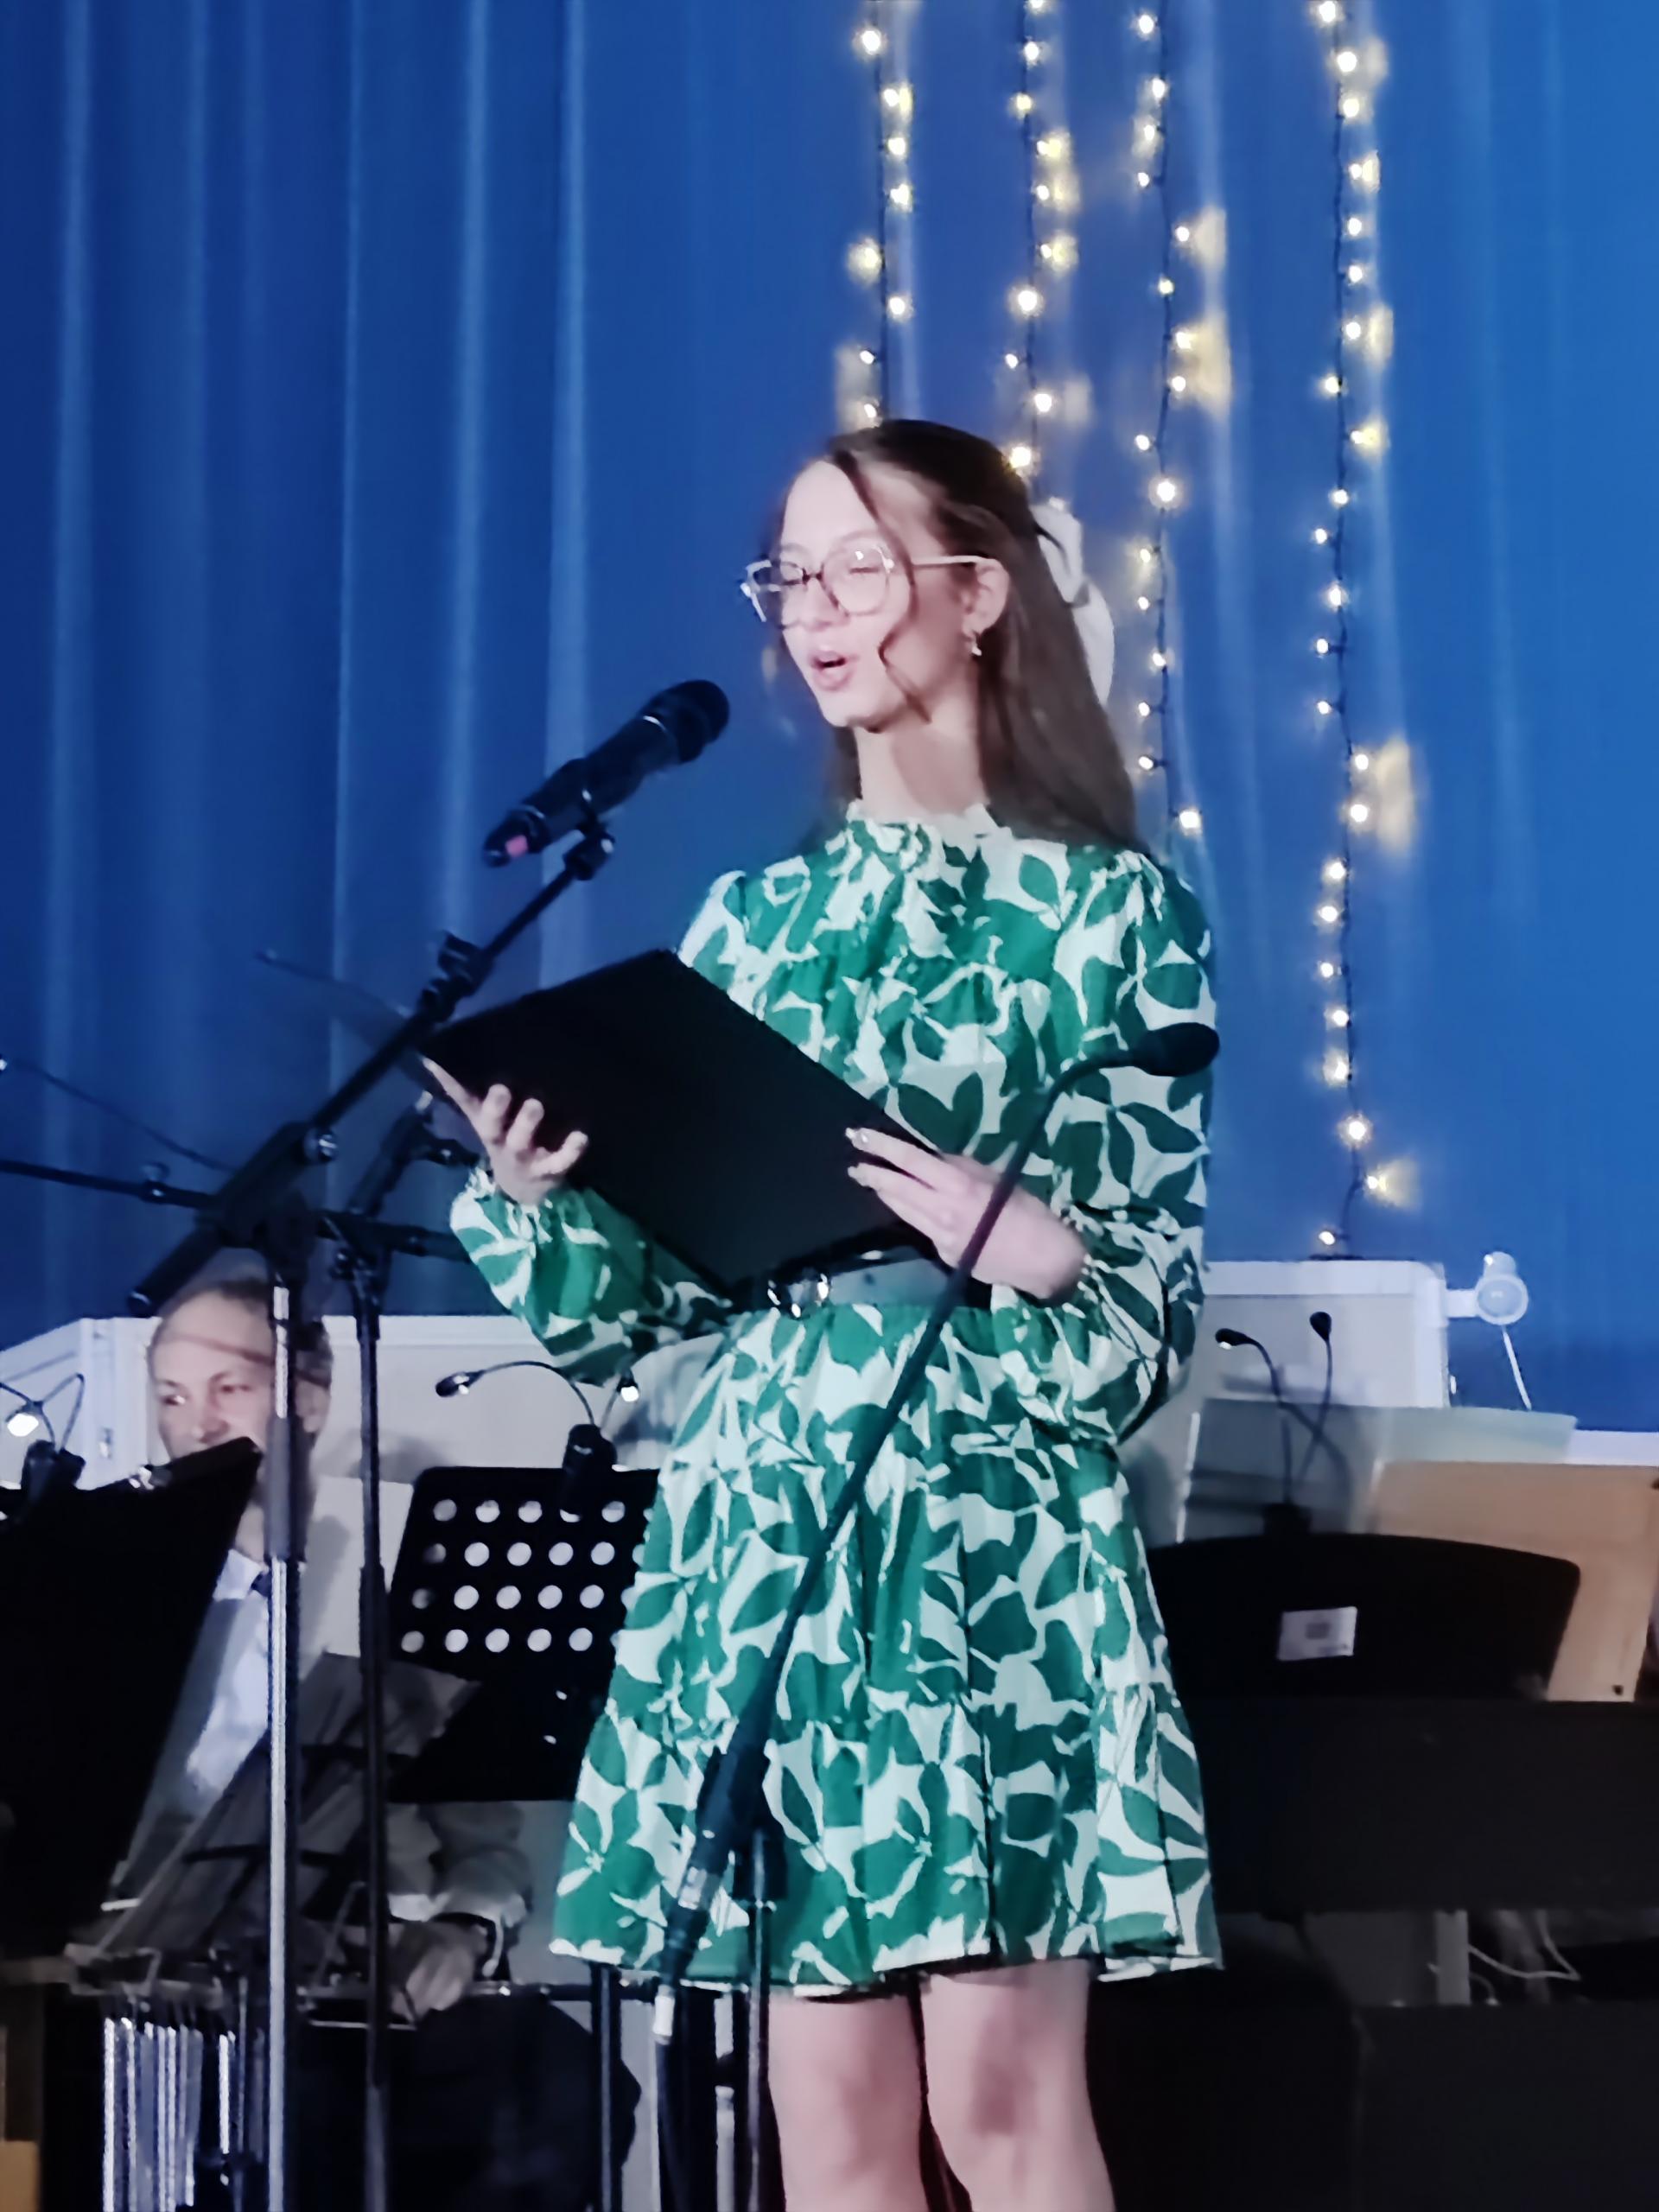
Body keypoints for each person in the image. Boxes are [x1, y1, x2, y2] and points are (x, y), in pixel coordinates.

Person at [438, 419, 1219, 2211]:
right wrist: (549, 1199)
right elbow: (650, 1305)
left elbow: (1148, 1300)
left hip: (983, 1528)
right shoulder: (753, 924)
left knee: (1005, 2110)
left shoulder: (1109, 915)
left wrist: (1037, 1248)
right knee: (835, 2129)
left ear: (980, 592)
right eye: (791, 576)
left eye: (858, 565)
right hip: (772, 1516)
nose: (815, 610)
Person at [143, 1274, 634, 2210]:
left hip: (376, 1983)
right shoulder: (126, 1600)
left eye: (229, 1388)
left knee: (569, 2082)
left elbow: (484, 1834)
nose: (195, 1424)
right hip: (195, 1999)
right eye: (170, 1397)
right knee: (299, 2116)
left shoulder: (398, 1580)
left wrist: (464, 1927)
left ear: (309, 1399)